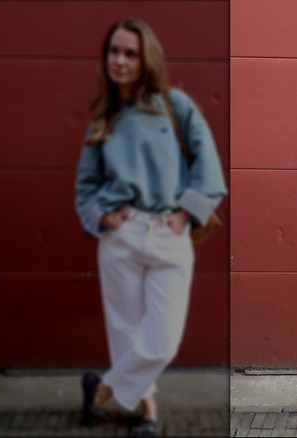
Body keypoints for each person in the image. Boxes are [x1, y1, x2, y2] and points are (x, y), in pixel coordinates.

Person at [74, 17, 227, 437]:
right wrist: (100, 216)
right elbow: (86, 186)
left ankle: (101, 391)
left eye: (130, 53)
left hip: (169, 232)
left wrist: (185, 212)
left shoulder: (175, 105)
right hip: (120, 236)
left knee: (161, 340)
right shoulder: (103, 117)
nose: (119, 60)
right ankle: (147, 409)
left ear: (146, 59)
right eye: (114, 52)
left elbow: (209, 168)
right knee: (125, 329)